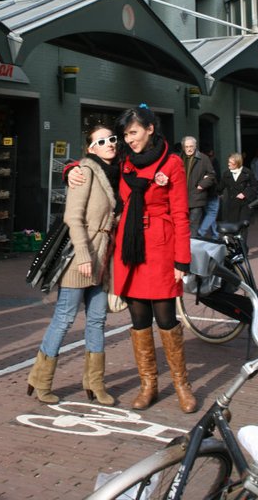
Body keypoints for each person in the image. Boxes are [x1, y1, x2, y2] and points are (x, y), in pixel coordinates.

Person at [68, 106, 197, 414]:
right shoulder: (124, 161)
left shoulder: (173, 163)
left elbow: (180, 213)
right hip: (130, 248)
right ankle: (148, 385)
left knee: (166, 317)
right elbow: (94, 167)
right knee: (139, 319)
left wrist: (182, 259)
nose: (128, 139)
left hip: (161, 247)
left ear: (150, 128)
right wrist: (71, 169)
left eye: (133, 133)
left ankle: (182, 385)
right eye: (125, 134)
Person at [27, 123, 119, 406]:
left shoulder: (114, 173)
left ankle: (95, 383)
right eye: (102, 141)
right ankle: (40, 380)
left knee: (97, 320)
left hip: (103, 257)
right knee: (65, 319)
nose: (110, 144)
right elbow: (72, 217)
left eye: (112, 139)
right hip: (81, 258)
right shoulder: (87, 171)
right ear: (91, 148)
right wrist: (82, 255)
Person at [217, 152, 258, 249]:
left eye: (230, 163)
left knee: (243, 228)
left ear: (237, 163)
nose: (228, 164)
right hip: (232, 205)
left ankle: (243, 249)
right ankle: (235, 248)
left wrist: (245, 193)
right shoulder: (226, 174)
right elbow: (219, 187)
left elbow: (255, 186)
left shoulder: (247, 173)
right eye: (228, 162)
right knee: (232, 228)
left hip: (244, 205)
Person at [180, 136, 215, 237]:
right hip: (182, 197)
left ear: (195, 146)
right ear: (183, 147)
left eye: (191, 146)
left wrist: (202, 185)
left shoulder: (203, 158)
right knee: (182, 225)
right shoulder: (179, 158)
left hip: (197, 197)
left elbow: (212, 174)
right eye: (186, 147)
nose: (189, 149)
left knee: (193, 225)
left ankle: (192, 249)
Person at [197, 148, 221, 241]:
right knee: (212, 213)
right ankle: (202, 232)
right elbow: (217, 177)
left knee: (210, 214)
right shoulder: (212, 162)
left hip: (202, 192)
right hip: (212, 192)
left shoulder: (198, 162)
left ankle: (215, 234)